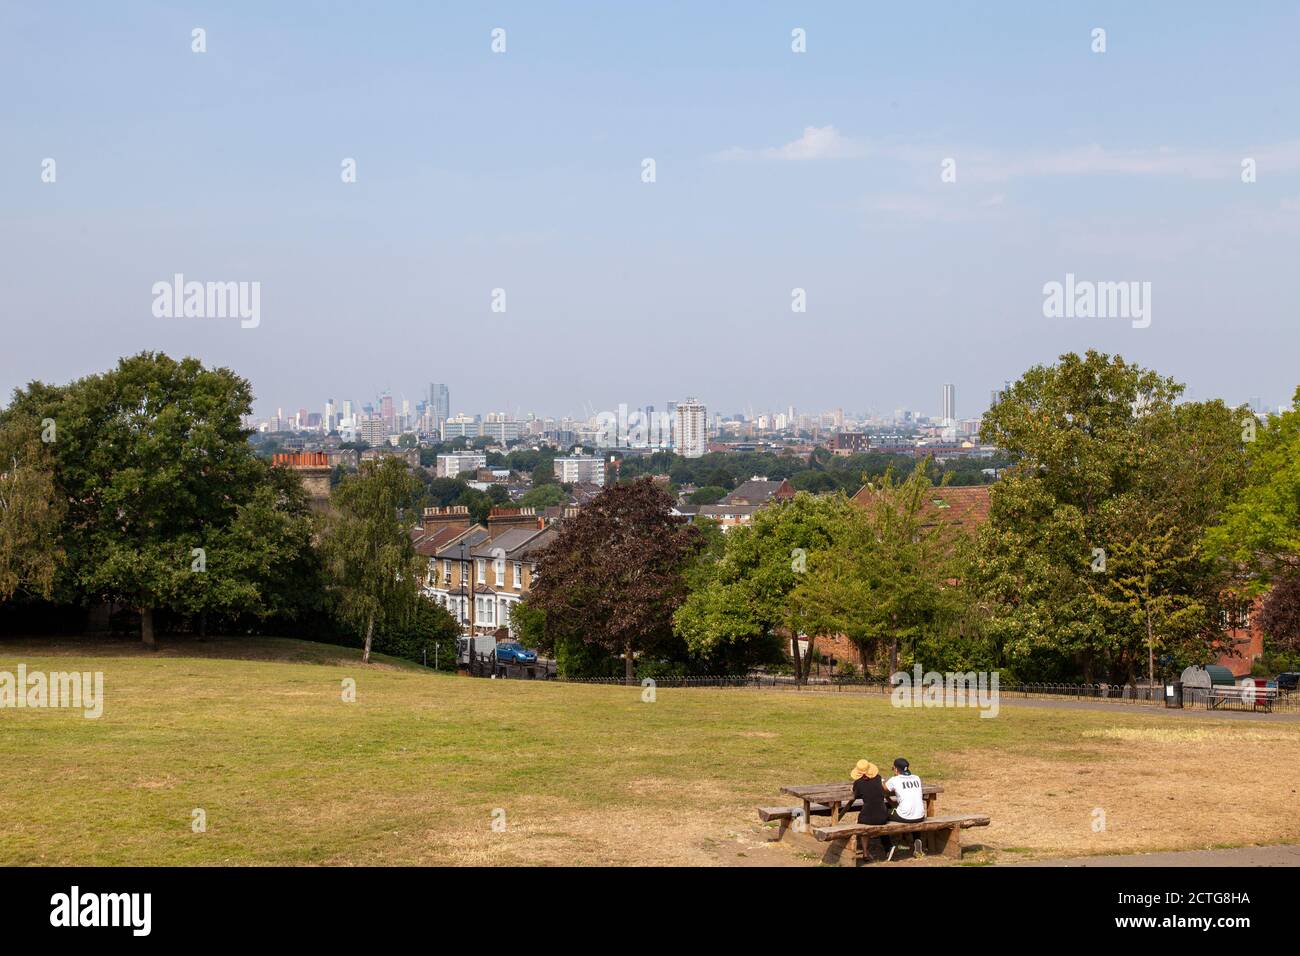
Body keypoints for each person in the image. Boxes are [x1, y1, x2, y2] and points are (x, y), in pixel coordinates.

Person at [849, 760, 891, 861]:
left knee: (863, 824)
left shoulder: (858, 783)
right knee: (878, 817)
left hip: (867, 817)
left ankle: (865, 852)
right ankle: (888, 847)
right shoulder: (878, 778)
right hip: (883, 815)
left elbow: (855, 794)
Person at [884, 757, 926, 858]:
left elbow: (884, 789)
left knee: (883, 813)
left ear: (896, 769)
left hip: (904, 816)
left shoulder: (895, 779)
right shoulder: (916, 777)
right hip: (920, 816)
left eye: (893, 768)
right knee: (912, 812)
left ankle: (888, 846)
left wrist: (882, 781)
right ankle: (917, 839)